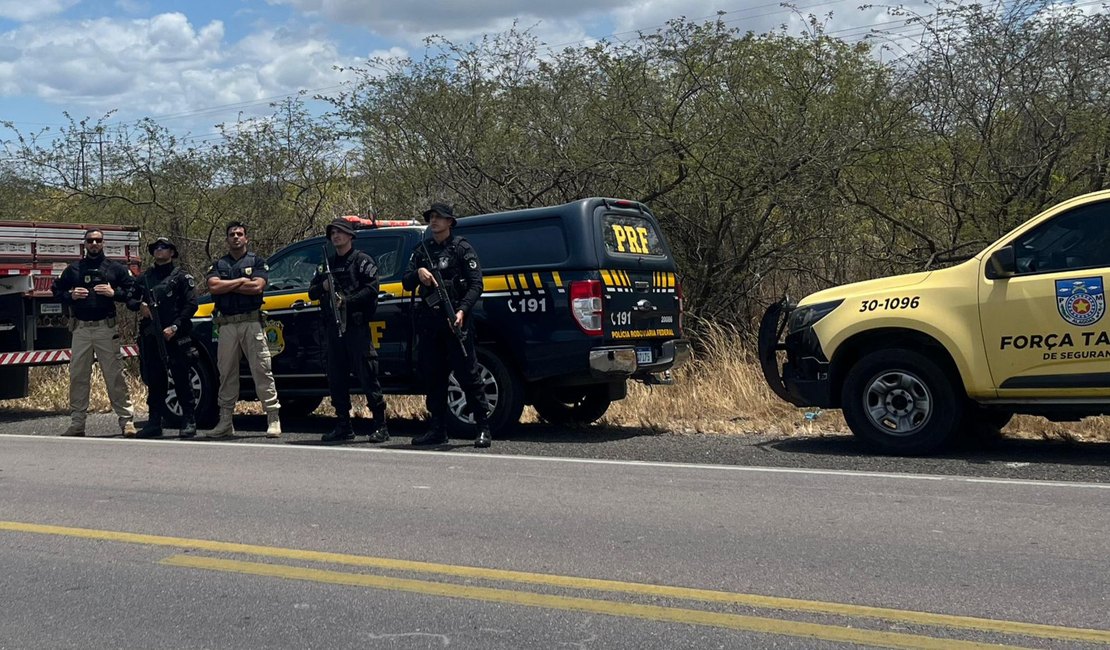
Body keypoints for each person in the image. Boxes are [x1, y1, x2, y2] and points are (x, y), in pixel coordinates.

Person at [401, 203, 492, 448]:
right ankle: (437, 429)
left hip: (456, 321)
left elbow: (476, 285)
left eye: (439, 217)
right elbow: (406, 282)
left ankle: (482, 427)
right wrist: (418, 272)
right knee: (434, 377)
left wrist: (462, 310)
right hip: (430, 324)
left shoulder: (462, 249)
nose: (434, 221)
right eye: (431, 217)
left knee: (468, 375)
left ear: (450, 222)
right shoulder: (422, 250)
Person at [308, 218, 389, 443]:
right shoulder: (327, 264)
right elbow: (311, 292)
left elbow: (372, 290)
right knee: (336, 378)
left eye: (341, 232)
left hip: (356, 327)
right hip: (333, 329)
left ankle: (380, 425)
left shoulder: (362, 261)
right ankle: (344, 425)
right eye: (333, 232)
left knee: (368, 375)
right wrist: (323, 286)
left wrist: (347, 301)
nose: (336, 236)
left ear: (351, 236)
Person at [50, 229, 137, 437]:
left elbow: (133, 291)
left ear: (103, 243)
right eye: (91, 240)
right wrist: (71, 295)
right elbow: (56, 291)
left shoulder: (115, 268)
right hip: (80, 329)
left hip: (106, 328)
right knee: (78, 376)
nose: (94, 244)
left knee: (114, 375)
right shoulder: (74, 269)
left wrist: (114, 293)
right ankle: (77, 423)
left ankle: (127, 421)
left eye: (98, 240)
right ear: (85, 244)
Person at [203, 221, 280, 438]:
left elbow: (257, 286)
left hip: (251, 322)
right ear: (227, 239)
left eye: (239, 234)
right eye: (231, 234)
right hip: (226, 325)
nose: (235, 237)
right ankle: (226, 421)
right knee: (226, 373)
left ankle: (273, 417)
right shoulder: (218, 264)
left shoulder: (257, 261)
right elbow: (213, 287)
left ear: (246, 238)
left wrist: (229, 285)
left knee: (262, 369)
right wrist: (240, 281)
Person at [127, 237, 199, 438]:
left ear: (172, 252)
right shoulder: (145, 277)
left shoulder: (182, 277)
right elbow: (130, 298)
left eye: (164, 247)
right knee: (155, 379)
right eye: (156, 248)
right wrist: (139, 305)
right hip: (152, 336)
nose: (160, 250)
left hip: (177, 335)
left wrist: (175, 326)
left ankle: (189, 420)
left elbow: (192, 305)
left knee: (181, 378)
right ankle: (154, 422)